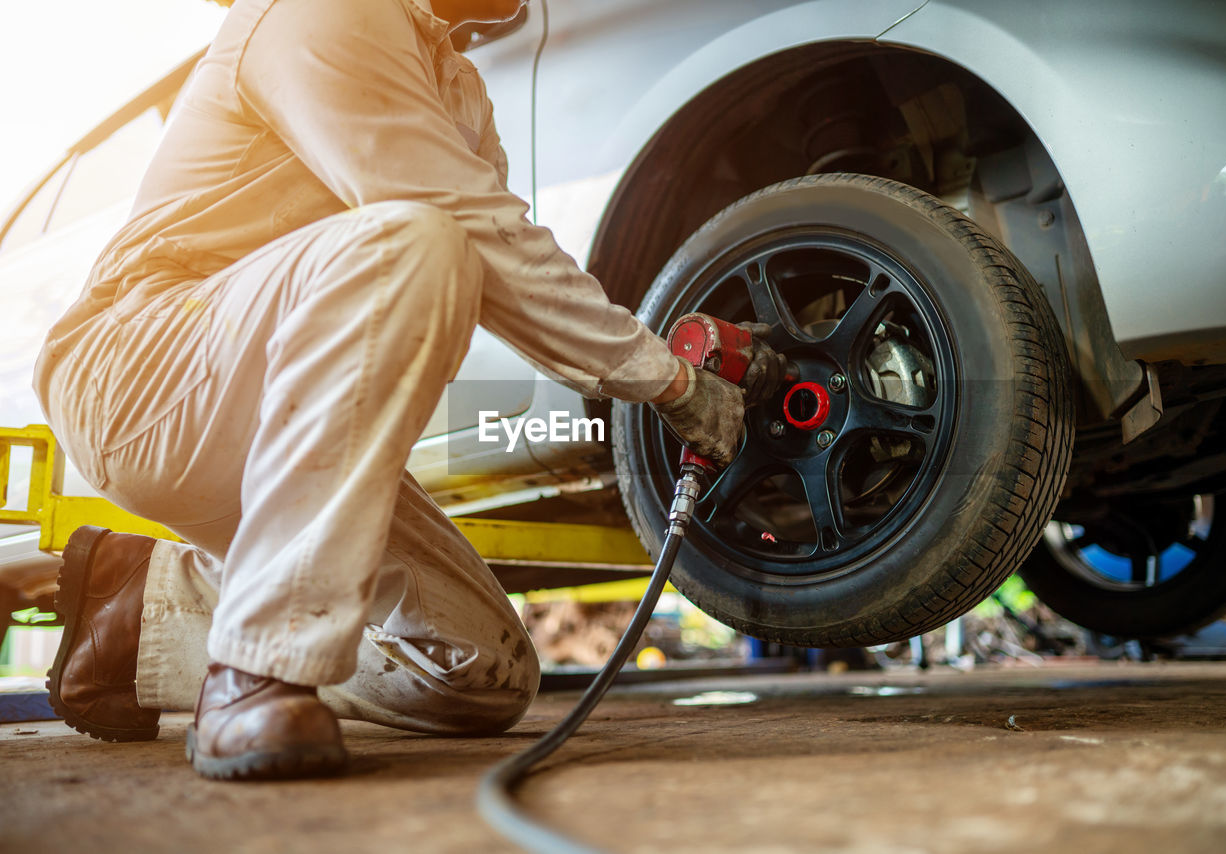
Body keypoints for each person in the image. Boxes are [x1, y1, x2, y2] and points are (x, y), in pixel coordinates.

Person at [35, 0, 783, 780]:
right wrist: (665, 378)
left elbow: (503, 257)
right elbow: (461, 231)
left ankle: (140, 608)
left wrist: (660, 373)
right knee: (421, 241)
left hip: (276, 415)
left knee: (476, 673)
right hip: (145, 373)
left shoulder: (459, 90)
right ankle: (255, 674)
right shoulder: (323, 11)